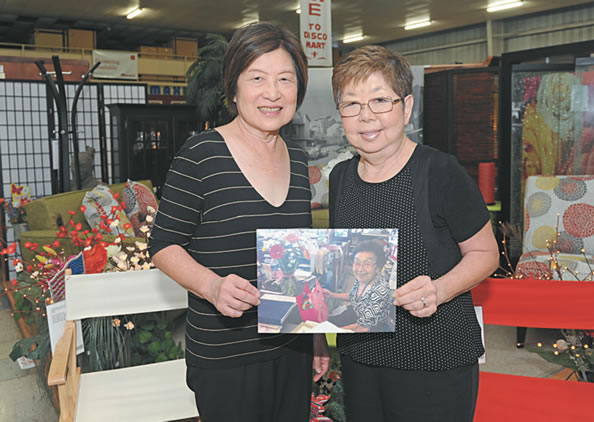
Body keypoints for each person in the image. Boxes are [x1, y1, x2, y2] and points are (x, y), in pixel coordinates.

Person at [148, 22, 329, 422]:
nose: (272, 92)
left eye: (285, 79)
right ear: (233, 88)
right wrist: (212, 286)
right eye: (257, 78)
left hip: (291, 348)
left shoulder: (298, 163)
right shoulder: (202, 155)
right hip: (226, 354)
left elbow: (301, 258)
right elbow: (162, 244)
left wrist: (316, 332)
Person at [328, 45, 499, 422]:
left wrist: (439, 290)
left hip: (435, 355)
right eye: (351, 104)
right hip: (360, 355)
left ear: (406, 108)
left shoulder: (440, 171)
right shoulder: (341, 178)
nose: (366, 116)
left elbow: (486, 254)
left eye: (379, 100)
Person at [324, 240, 394, 332]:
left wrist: (333, 331)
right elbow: (354, 296)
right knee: (323, 321)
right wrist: (332, 294)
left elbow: (364, 327)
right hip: (354, 313)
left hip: (369, 328)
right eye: (357, 263)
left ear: (378, 267)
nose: (360, 269)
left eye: (367, 264)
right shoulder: (362, 279)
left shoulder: (380, 291)